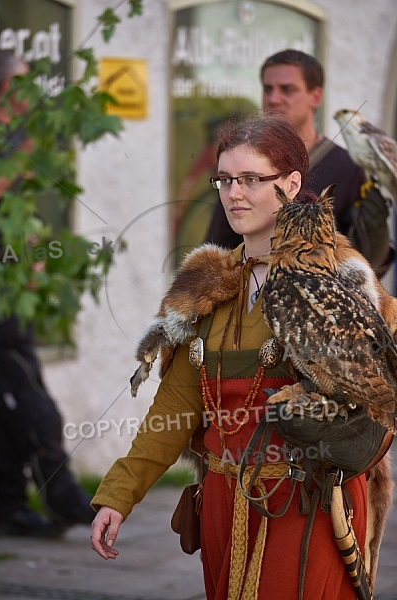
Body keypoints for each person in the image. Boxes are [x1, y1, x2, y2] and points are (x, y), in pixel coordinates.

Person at [90, 115, 392, 599]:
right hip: (223, 504)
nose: (234, 193)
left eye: (252, 179)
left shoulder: (340, 278)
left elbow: (380, 401)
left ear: (291, 184)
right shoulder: (207, 284)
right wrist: (119, 496)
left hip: (305, 502)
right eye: (226, 179)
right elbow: (176, 405)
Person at [0, 49, 95, 537]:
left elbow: (19, 224)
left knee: (9, 399)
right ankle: (61, 494)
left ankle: (12, 503)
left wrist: (32, 257)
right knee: (28, 396)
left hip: (11, 294)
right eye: (20, 86)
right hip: (1, 303)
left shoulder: (15, 141)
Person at [205, 49, 394, 278]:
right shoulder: (245, 164)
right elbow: (216, 250)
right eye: (268, 89)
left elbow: (368, 269)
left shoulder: (347, 167)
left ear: (315, 96)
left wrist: (376, 238)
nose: (273, 98)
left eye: (287, 89)